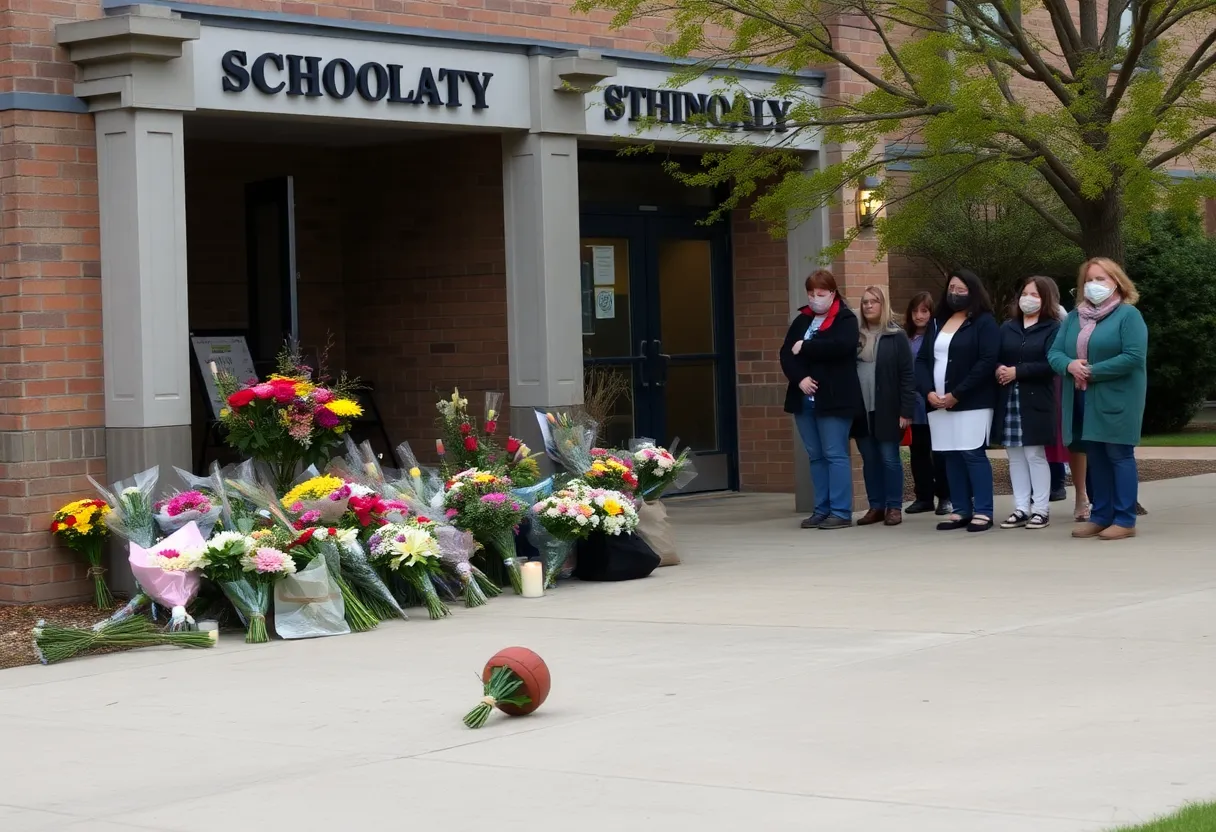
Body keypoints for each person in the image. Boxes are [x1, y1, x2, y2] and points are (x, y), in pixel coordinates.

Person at [1048, 257, 1148, 540]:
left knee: (1118, 455)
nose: (1094, 285)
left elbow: (1133, 357)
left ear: (1117, 282)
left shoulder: (1128, 316)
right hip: (1081, 398)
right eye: (1089, 280)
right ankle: (1101, 516)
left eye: (1100, 279)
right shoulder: (1073, 317)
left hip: (1117, 399)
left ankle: (1125, 519)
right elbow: (1055, 353)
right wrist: (1070, 365)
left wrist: (1090, 371)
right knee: (1096, 457)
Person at [916, 269, 999, 532]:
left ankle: (983, 510)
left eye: (961, 289)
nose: (955, 293)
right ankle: (961, 509)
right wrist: (928, 391)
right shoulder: (938, 322)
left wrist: (957, 394)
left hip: (971, 400)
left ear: (973, 291)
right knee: (950, 455)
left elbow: (986, 361)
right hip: (937, 401)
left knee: (972, 454)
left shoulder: (984, 322)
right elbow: (921, 360)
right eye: (951, 288)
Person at [780, 269, 865, 530]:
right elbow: (786, 353)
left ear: (833, 293)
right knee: (816, 455)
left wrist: (806, 347)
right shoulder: (802, 320)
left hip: (834, 397)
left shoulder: (845, 318)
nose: (815, 298)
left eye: (821, 293)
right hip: (805, 397)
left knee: (834, 454)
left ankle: (840, 511)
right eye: (811, 293)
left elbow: (841, 347)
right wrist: (800, 379)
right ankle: (821, 508)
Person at [994, 277, 1062, 530]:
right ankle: (1021, 507)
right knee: (1014, 456)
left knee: (1034, 454)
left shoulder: (1053, 328)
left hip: (1036, 399)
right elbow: (996, 356)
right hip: (1009, 399)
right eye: (1025, 293)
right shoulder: (1007, 327)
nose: (1028, 299)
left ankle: (1040, 509)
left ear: (1046, 299)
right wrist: (999, 368)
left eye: (1035, 294)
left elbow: (1051, 363)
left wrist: (1017, 372)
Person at [854, 286, 916, 527]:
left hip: (888, 408)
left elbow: (907, 375)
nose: (868, 306)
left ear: (883, 305)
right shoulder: (855, 336)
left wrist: (906, 410)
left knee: (889, 458)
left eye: (874, 301)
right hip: (862, 409)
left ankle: (893, 506)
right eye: (865, 302)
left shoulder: (895, 335)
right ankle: (876, 506)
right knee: (869, 459)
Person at [903, 292, 951, 516]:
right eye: (915, 311)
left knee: (939, 451)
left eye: (924, 311)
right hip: (913, 403)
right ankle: (923, 496)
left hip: (933, 399)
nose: (919, 315)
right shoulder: (906, 337)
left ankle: (945, 496)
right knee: (918, 451)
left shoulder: (937, 337)